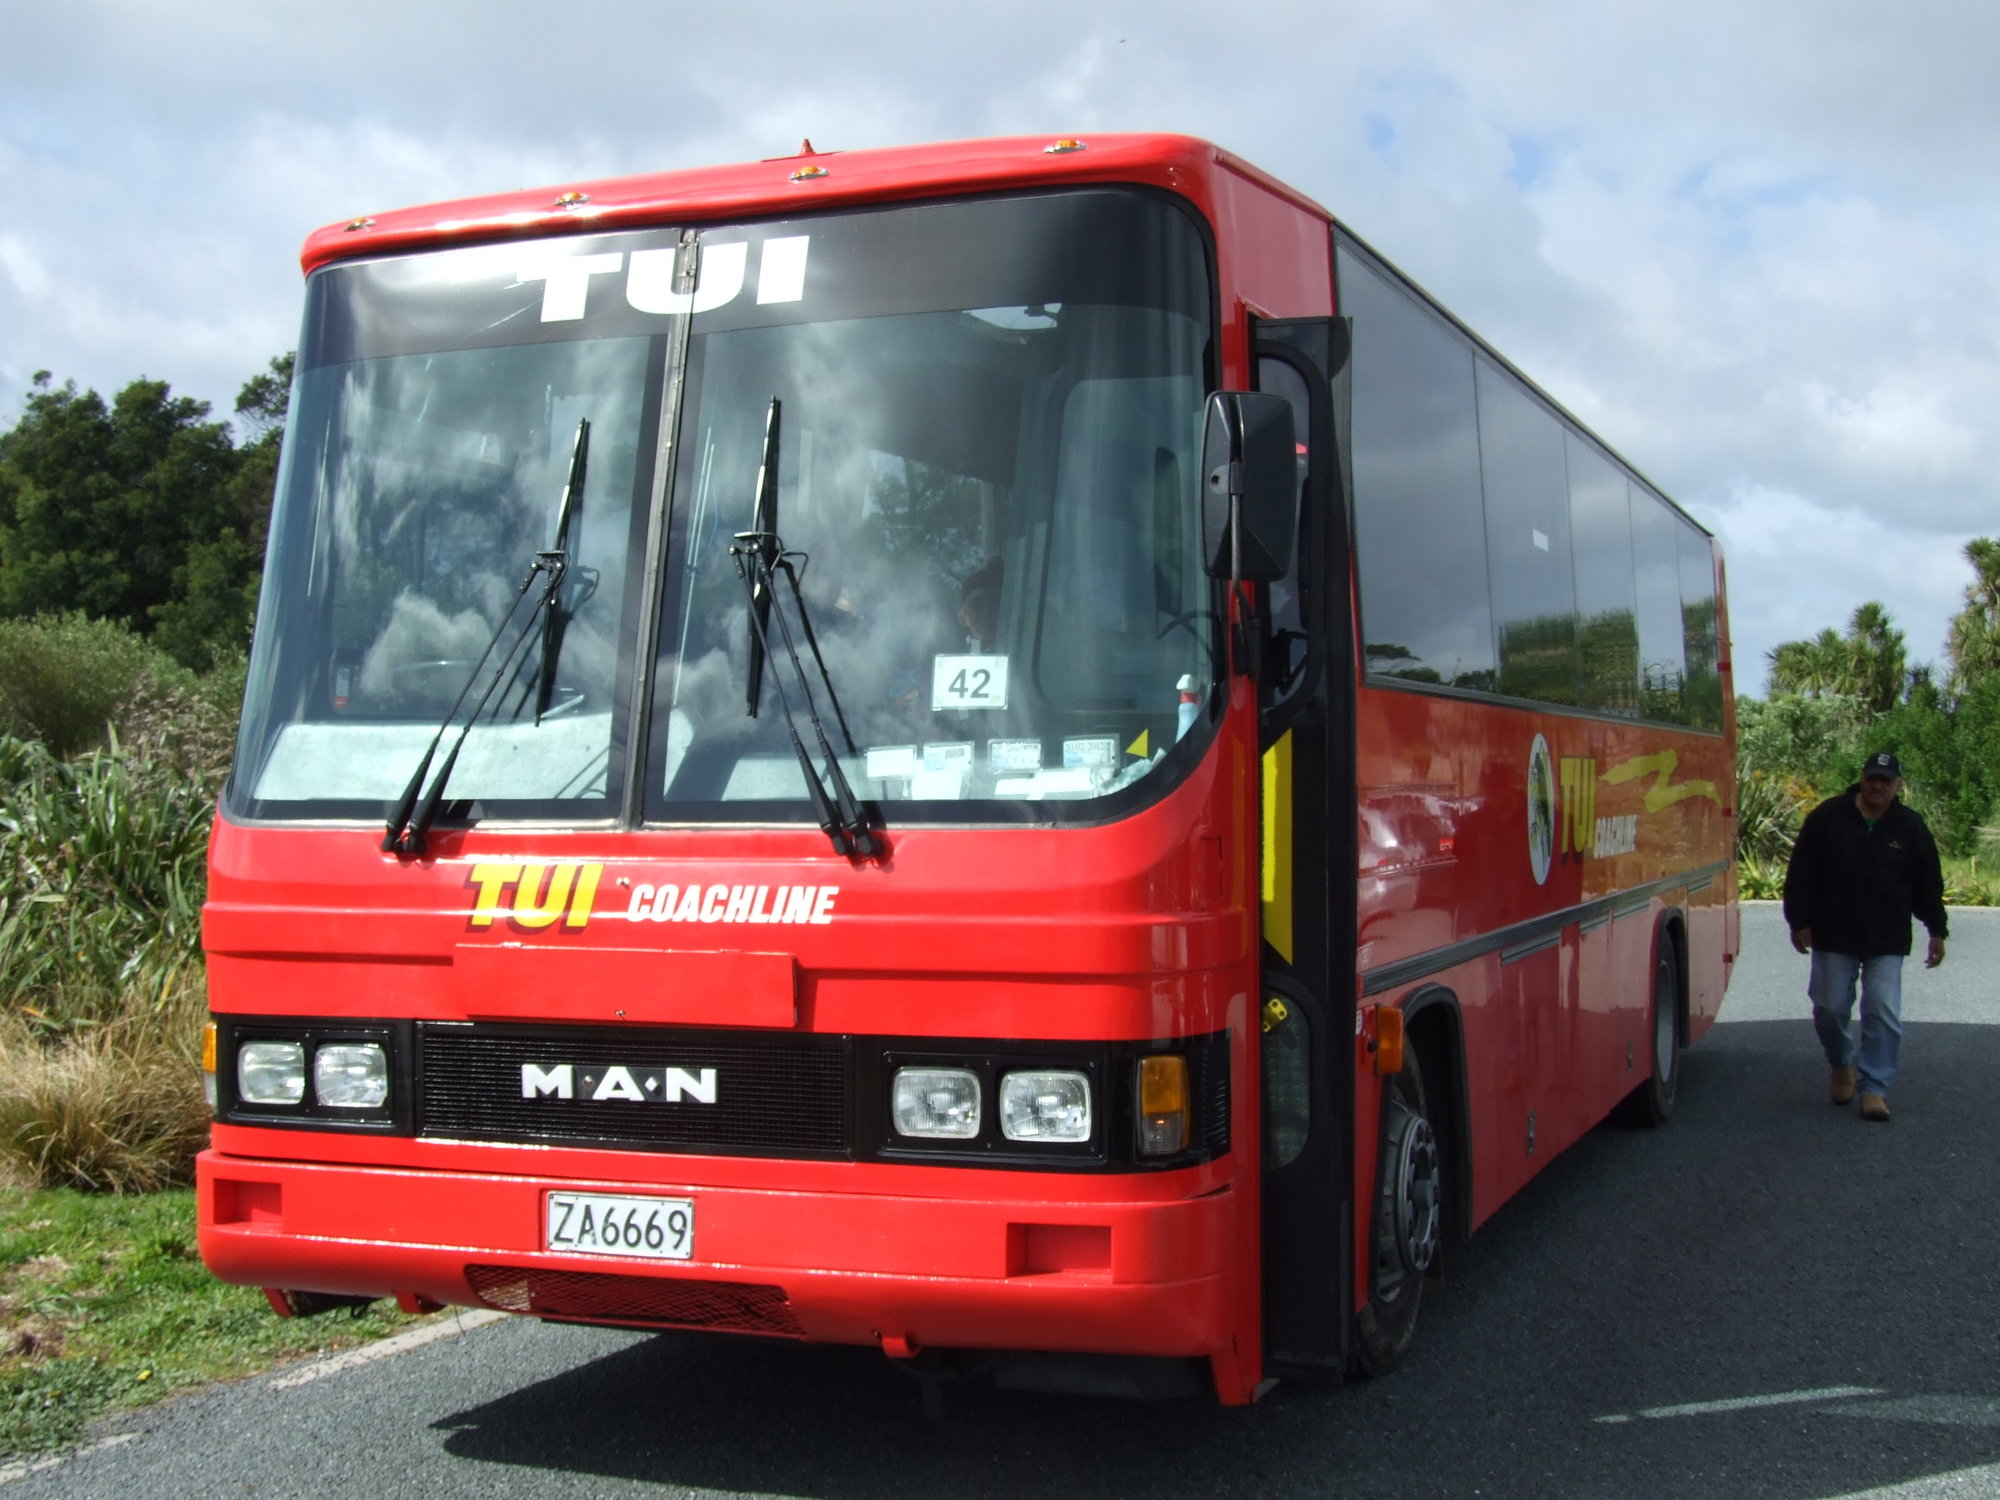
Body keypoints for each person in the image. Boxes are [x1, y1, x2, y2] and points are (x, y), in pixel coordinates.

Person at [1781, 750, 1947, 1123]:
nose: (1877, 786)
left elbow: (1928, 884)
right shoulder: (1828, 817)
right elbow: (1801, 872)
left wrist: (1937, 929)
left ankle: (1874, 1088)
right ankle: (1841, 1063)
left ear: (1897, 786)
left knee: (1883, 1010)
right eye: (1872, 778)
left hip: (1886, 937)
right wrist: (1798, 921)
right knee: (1829, 1007)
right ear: (1862, 779)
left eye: (1885, 781)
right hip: (1833, 932)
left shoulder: (1910, 827)